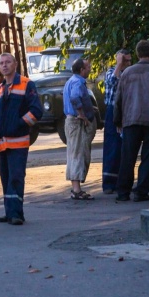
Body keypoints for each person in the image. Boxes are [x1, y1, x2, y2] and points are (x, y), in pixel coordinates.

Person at [113, 39, 149, 203]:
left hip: (131, 120)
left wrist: (118, 121)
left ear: (137, 54)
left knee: (128, 157)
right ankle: (141, 192)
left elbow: (119, 99)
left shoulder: (127, 73)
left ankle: (123, 192)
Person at [0, 52, 43, 225]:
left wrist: (18, 125)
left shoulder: (27, 84)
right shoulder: (0, 88)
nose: (4, 65)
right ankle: (9, 212)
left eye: (7, 62)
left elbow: (36, 111)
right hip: (1, 142)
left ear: (15, 64)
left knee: (16, 177)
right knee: (5, 178)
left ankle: (16, 214)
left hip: (18, 141)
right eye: (1, 63)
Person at [63, 57, 97, 200]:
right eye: (88, 67)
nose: (90, 69)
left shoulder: (71, 80)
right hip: (76, 122)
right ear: (82, 70)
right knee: (78, 154)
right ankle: (76, 191)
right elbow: (75, 98)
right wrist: (82, 114)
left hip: (72, 121)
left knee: (75, 153)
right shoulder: (77, 82)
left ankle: (75, 188)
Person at [102, 49, 131, 194]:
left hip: (127, 112)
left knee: (126, 148)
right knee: (112, 147)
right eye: (125, 60)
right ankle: (109, 184)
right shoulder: (112, 71)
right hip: (112, 111)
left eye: (129, 60)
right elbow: (112, 82)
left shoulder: (131, 72)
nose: (128, 63)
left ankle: (123, 183)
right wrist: (119, 65)